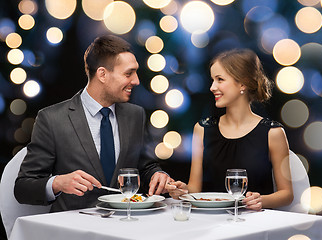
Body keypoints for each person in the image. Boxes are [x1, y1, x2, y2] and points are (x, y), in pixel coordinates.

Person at [14, 35, 172, 212]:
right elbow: (23, 188)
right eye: (129, 73)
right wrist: (57, 183)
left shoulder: (136, 115)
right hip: (73, 230)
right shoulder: (51, 119)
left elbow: (146, 166)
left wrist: (158, 175)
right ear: (102, 74)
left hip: (126, 225)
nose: (136, 81)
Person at [166, 49, 293, 211]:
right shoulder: (202, 129)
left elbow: (287, 194)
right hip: (211, 221)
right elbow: (195, 189)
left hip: (255, 223)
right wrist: (182, 190)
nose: (212, 87)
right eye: (212, 80)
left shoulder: (272, 133)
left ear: (243, 83)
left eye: (220, 80)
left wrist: (260, 200)